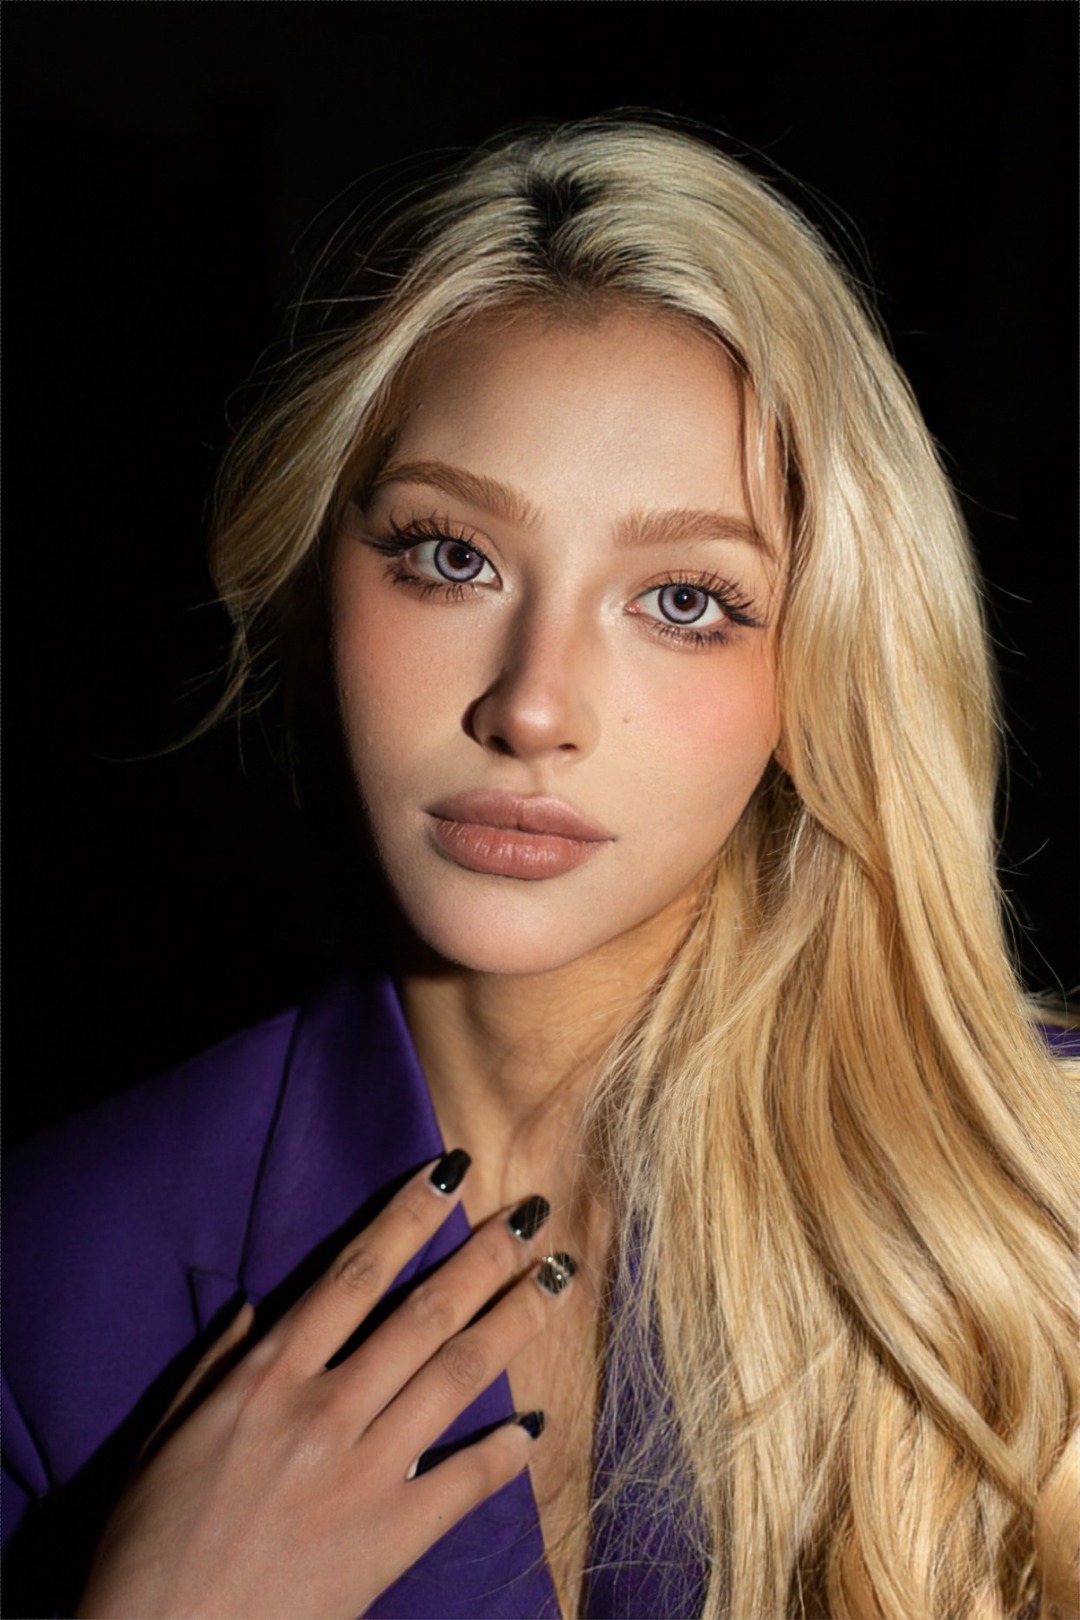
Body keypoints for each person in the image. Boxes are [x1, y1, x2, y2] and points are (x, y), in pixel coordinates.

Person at [4, 116, 1077, 1620]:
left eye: (685, 599)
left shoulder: (1039, 1200)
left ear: (829, 663)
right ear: (316, 584)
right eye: (453, 557)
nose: (532, 708)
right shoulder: (53, 1268)